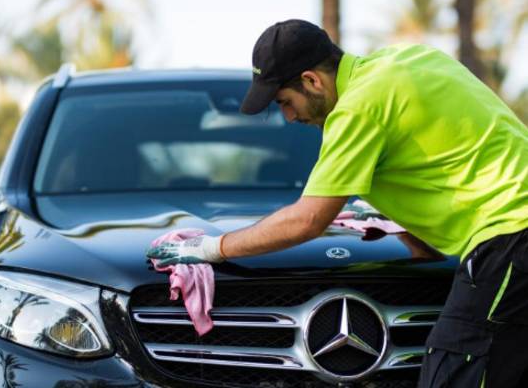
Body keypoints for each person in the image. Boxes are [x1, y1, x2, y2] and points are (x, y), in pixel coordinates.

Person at [147, 19, 528, 387]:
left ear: (312, 80)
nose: (289, 116)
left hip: (511, 236)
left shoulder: (359, 107)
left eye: (285, 101)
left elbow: (308, 220)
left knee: (452, 369)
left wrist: (211, 247)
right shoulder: (414, 59)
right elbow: (452, 154)